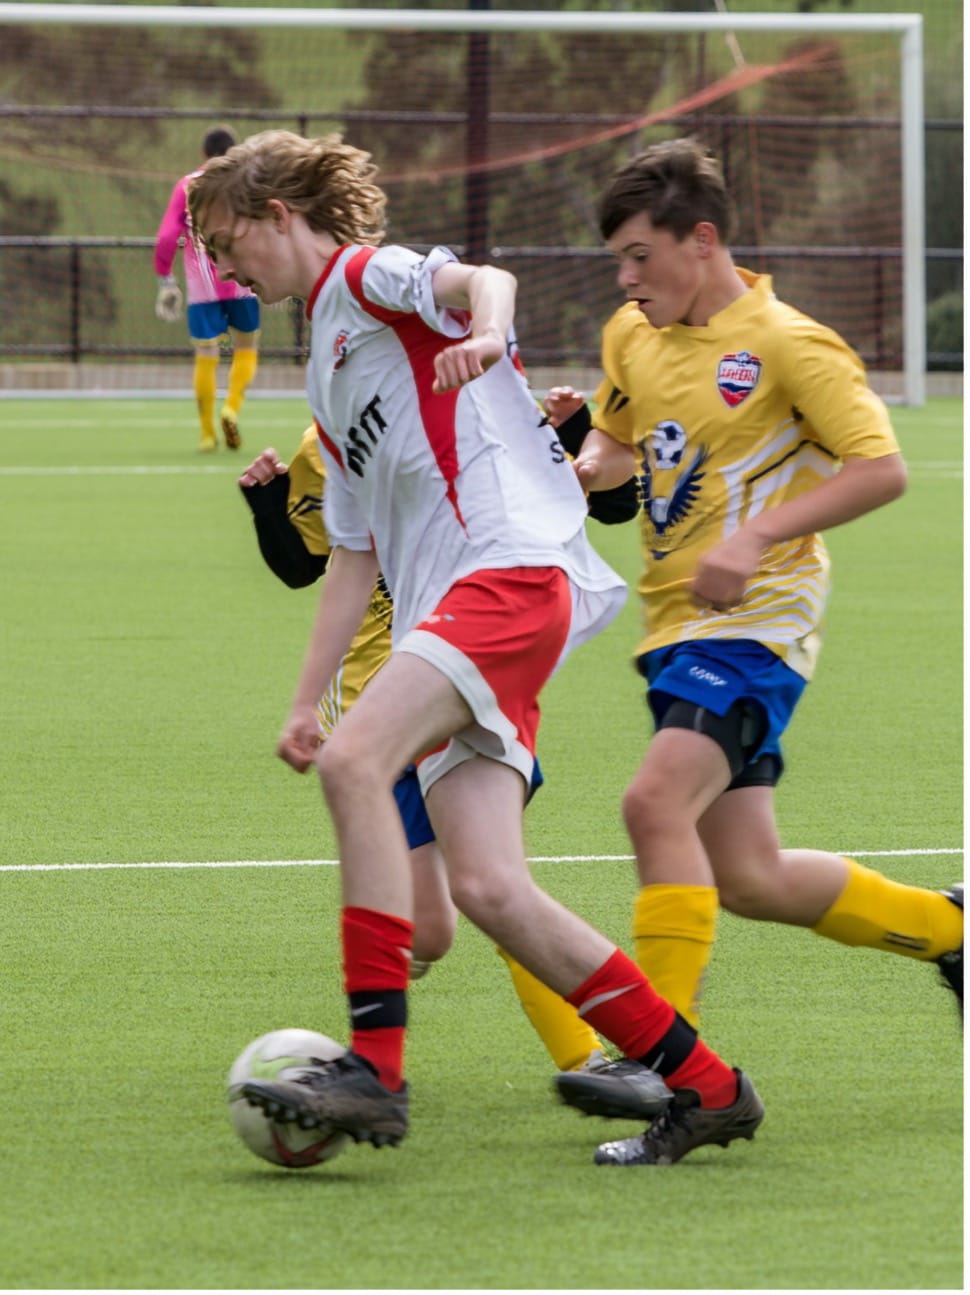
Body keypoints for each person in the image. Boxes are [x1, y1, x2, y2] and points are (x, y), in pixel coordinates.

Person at [188, 128, 764, 1167]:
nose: (224, 267)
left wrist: (490, 334)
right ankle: (709, 1086)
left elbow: (478, 279)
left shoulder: (368, 277)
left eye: (230, 240)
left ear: (280, 213)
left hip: (503, 574)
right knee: (491, 889)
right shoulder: (325, 362)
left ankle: (377, 1069)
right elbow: (353, 555)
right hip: (460, 605)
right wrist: (304, 699)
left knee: (364, 767)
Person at [558, 137, 963, 1163]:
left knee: (653, 803)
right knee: (747, 874)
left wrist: (755, 535)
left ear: (703, 242)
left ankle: (665, 1064)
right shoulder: (630, 335)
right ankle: (953, 930)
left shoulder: (789, 343)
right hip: (674, 621)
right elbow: (613, 459)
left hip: (757, 621)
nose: (626, 278)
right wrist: (573, 449)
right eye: (618, 260)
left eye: (641, 256)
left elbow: (879, 469)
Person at [238, 404, 638, 1072]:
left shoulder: (486, 410)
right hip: (377, 704)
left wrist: (575, 431)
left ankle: (589, 1060)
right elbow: (305, 564)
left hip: (469, 684)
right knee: (434, 925)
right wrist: (267, 506)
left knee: (496, 885)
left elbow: (609, 503)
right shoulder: (331, 437)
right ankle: (400, 940)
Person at [154, 125, 261, 453]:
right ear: (235, 151)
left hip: (202, 287)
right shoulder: (246, 183)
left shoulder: (187, 186)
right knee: (246, 347)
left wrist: (165, 279)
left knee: (205, 354)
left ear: (203, 154)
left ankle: (206, 434)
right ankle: (231, 407)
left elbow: (167, 237)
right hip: (242, 280)